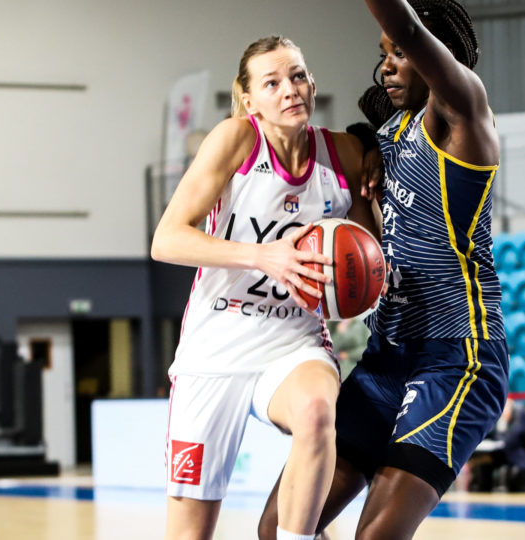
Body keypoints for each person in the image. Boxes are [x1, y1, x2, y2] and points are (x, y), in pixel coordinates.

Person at [259, 1, 508, 538]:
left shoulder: (464, 113)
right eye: (383, 54)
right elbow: (367, 234)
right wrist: (366, 146)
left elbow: (410, 27)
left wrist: (406, 34)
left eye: (399, 53)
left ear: (439, 54)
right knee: (278, 528)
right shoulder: (389, 136)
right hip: (385, 357)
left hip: (456, 357)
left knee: (375, 536)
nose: (387, 65)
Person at [150, 35, 380, 540]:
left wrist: (375, 163)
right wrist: (263, 255)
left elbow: (371, 255)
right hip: (216, 345)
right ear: (249, 99)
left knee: (317, 411)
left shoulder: (343, 154)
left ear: (312, 83)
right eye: (272, 83)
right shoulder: (235, 138)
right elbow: (166, 240)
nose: (289, 89)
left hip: (293, 342)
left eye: (297, 76)